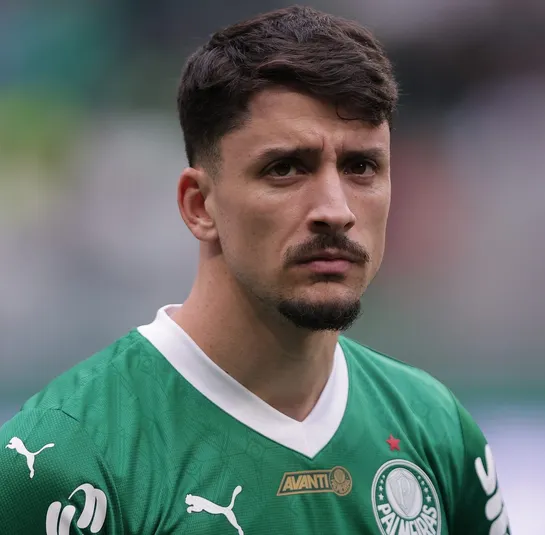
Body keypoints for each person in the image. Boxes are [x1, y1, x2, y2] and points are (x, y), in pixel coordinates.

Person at [0, 6, 511, 534]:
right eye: (285, 168)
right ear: (199, 205)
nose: (336, 210)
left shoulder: (437, 430)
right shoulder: (62, 459)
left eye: (361, 167)